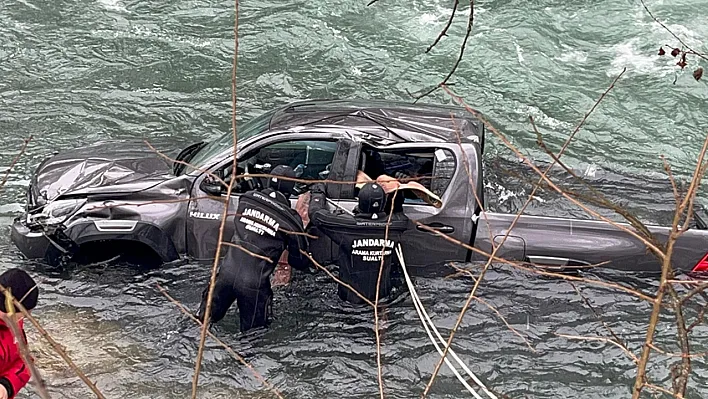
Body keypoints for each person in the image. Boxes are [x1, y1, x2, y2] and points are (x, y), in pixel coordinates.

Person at [198, 165, 312, 332]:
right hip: (254, 287)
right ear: (291, 190)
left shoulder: (246, 199)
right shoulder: (290, 220)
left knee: (201, 324)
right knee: (252, 338)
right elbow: (299, 260)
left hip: (223, 277)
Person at [307, 181, 408, 304]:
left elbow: (316, 214)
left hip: (350, 303)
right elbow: (398, 213)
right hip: (383, 300)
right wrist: (397, 191)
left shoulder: (346, 227)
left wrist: (318, 191)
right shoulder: (395, 227)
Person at [0, 268, 38, 399]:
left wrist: (7, 386)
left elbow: (24, 361)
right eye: (20, 316)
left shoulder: (13, 326)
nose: (21, 321)